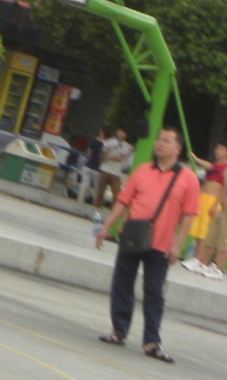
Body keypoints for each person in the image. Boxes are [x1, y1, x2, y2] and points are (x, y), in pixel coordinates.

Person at [97, 127, 200, 363]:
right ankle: (118, 331)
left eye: (166, 141)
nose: (160, 143)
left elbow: (189, 215)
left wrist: (178, 245)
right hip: (133, 237)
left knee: (154, 293)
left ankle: (152, 342)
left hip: (161, 244)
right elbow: (123, 201)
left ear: (178, 148)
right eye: (159, 139)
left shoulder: (188, 179)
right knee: (122, 284)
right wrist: (107, 226)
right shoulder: (142, 170)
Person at [182, 141, 226, 279]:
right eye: (217, 148)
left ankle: (200, 260)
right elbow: (209, 165)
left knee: (205, 233)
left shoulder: (225, 167)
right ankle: (197, 259)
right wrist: (195, 158)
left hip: (213, 200)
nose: (218, 151)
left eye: (221, 149)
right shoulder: (215, 165)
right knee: (198, 230)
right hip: (204, 198)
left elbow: (224, 188)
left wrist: (216, 205)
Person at [96, 126, 133, 210]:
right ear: (117, 131)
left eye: (124, 133)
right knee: (100, 192)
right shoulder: (109, 142)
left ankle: (112, 211)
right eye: (120, 132)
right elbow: (102, 154)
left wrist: (108, 157)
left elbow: (120, 158)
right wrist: (106, 153)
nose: (121, 134)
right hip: (105, 169)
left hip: (116, 172)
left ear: (126, 135)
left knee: (116, 195)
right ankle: (96, 208)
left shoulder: (127, 146)